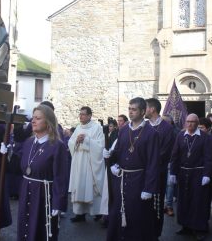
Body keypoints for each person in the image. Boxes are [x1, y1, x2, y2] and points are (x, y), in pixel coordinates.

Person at [104, 97, 159, 241]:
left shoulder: (151, 133)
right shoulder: (123, 130)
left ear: (142, 111)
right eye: (129, 108)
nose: (130, 112)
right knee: (118, 213)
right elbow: (118, 152)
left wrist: (149, 188)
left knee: (137, 215)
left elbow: (153, 162)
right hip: (122, 180)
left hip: (139, 181)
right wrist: (112, 160)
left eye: (134, 109)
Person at [16, 104, 69, 241]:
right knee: (25, 229)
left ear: (48, 122)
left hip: (44, 197)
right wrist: (6, 153)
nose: (33, 121)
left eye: (38, 118)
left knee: (40, 231)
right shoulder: (28, 142)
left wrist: (58, 203)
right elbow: (23, 166)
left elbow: (61, 177)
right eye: (33, 118)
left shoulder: (57, 146)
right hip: (26, 191)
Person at [169, 113, 212, 241]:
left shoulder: (205, 137)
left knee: (198, 202)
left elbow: (208, 158)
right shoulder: (180, 136)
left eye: (193, 122)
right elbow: (175, 155)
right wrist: (173, 172)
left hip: (198, 174)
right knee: (184, 201)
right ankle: (186, 226)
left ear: (197, 123)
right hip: (183, 174)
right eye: (188, 121)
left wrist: (206, 174)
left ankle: (199, 228)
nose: (190, 124)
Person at [68, 106, 105, 222]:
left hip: (90, 163)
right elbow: (70, 142)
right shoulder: (78, 127)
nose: (81, 116)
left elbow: (100, 146)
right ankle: (80, 214)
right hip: (79, 162)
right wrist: (76, 141)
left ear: (89, 116)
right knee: (79, 186)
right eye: (80, 114)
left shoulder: (97, 128)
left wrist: (87, 140)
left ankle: (97, 213)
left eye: (83, 114)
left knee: (91, 187)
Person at [145, 97, 175, 239]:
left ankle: (155, 233)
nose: (142, 110)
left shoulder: (167, 128)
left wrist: (148, 162)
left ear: (152, 109)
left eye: (145, 107)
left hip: (157, 172)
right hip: (142, 172)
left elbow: (165, 151)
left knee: (156, 205)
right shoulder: (144, 126)